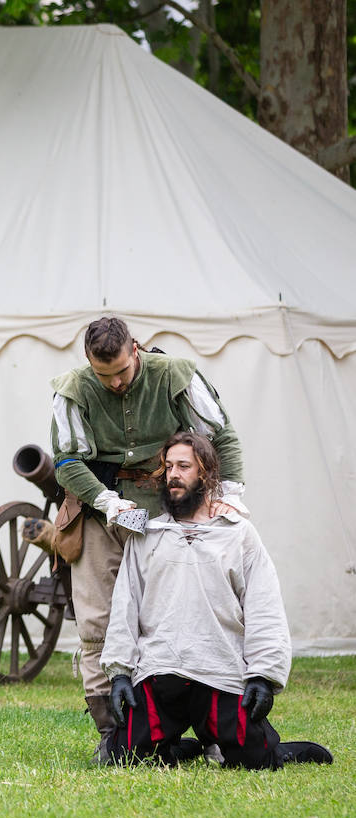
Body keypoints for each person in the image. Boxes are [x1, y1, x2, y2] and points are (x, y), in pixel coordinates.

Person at [49, 316, 245, 761]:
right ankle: (111, 731)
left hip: (169, 515)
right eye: (105, 375)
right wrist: (104, 500)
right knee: (97, 622)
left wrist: (229, 494)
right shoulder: (72, 390)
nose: (115, 382)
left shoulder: (176, 375)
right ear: (88, 363)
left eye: (121, 370)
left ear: (135, 349)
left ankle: (208, 727)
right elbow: (66, 462)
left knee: (181, 618)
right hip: (102, 514)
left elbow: (222, 436)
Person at [101, 432, 332, 769]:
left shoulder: (238, 535)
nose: (173, 475)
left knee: (255, 760)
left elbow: (263, 607)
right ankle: (181, 747)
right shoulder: (148, 535)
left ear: (206, 473)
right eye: (168, 467)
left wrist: (262, 675)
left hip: (218, 671)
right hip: (160, 670)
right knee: (125, 757)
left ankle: (276, 748)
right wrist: (120, 673)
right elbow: (125, 605)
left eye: (183, 466)